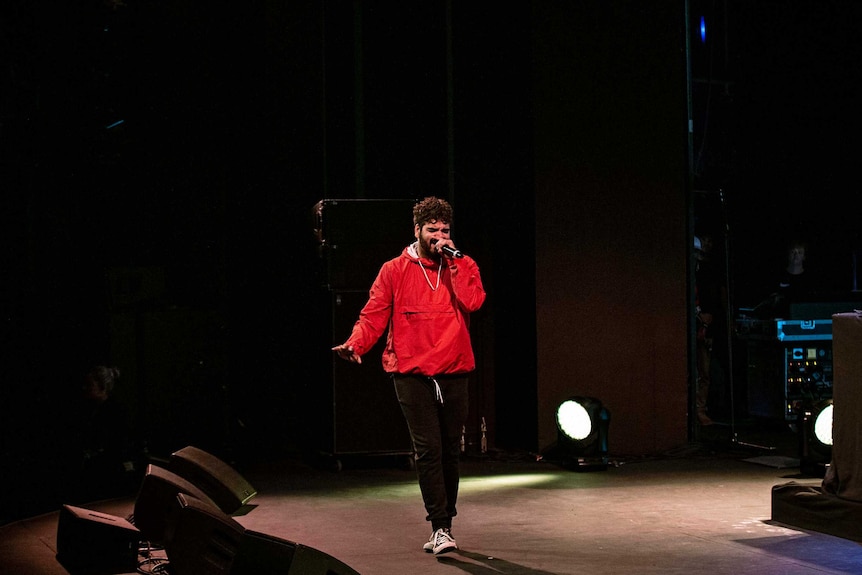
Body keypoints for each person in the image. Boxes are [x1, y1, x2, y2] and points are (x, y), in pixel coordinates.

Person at [332, 196, 486, 555]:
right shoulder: (394, 270)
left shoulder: (463, 265)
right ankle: (441, 527)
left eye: (445, 230)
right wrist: (357, 343)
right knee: (428, 450)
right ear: (417, 230)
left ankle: (446, 520)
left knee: (450, 451)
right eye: (432, 230)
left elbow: (474, 302)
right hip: (411, 372)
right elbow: (373, 314)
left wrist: (456, 265)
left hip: (454, 367)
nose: (439, 236)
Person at [694, 232, 725, 426]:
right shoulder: (689, 274)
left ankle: (700, 409)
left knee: (704, 373)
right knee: (697, 372)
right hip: (693, 327)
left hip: (705, 328)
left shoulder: (706, 272)